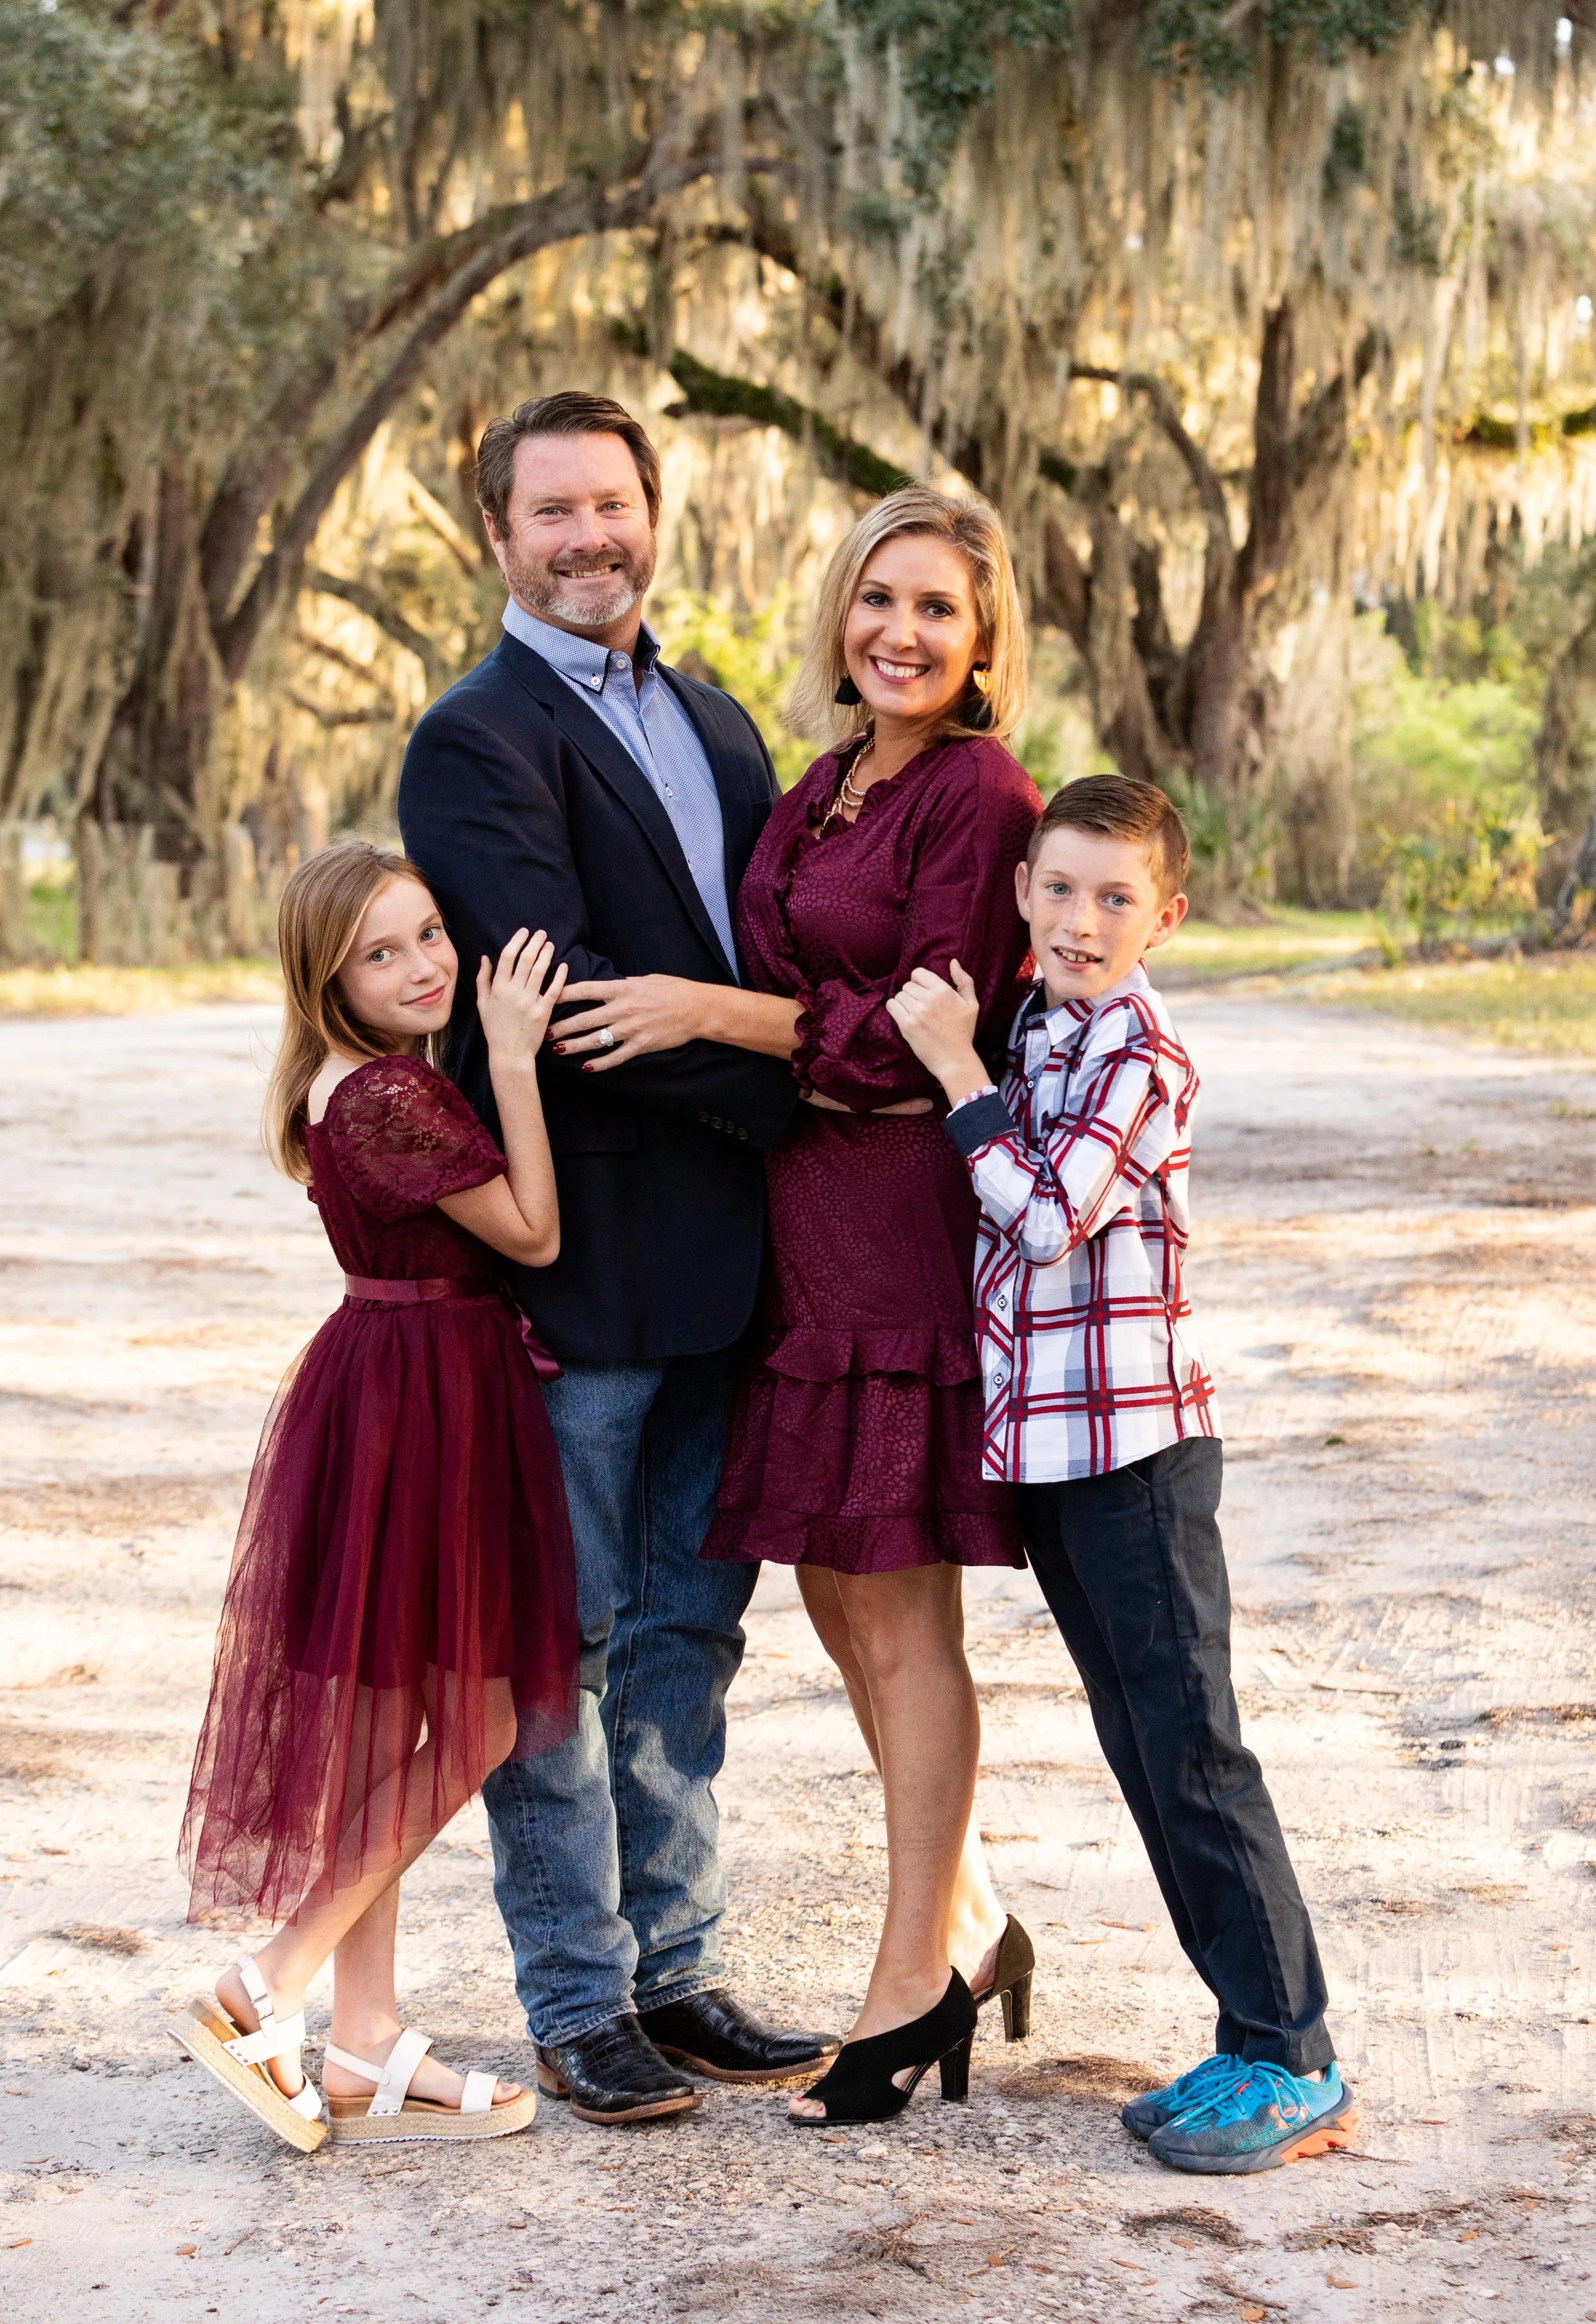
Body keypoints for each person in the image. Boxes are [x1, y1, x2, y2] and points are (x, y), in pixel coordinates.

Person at [573, 485, 1043, 2128]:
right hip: (798, 1230)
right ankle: (967, 1923)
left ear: (982, 642)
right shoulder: (830, 780)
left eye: (934, 609)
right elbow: (802, 983)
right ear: (838, 611)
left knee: (899, 1614)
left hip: (898, 1229)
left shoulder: (979, 800)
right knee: (844, 1606)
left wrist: (712, 1009)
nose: (898, 633)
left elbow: (916, 1038)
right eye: (876, 601)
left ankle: (907, 1984)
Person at [396, 391, 837, 2125]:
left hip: (730, 1269)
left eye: (615, 506)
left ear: (654, 515)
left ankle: (679, 1968)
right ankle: (577, 2001)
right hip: (576, 1263)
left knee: (684, 1641)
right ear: (498, 537)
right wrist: (812, 1072)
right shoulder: (473, 738)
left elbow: (755, 938)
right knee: (556, 1654)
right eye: (554, 512)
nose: (591, 538)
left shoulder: (715, 713)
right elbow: (561, 992)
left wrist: (796, 1056)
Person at [886, 772, 1357, 2175]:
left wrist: (952, 1073)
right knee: (1142, 1746)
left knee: (1196, 1750)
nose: (1080, 921)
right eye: (1057, 889)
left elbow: (1039, 1219)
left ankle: (1292, 2055)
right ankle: (1239, 2040)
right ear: (1021, 890)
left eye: (1113, 899)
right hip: (1054, 1454)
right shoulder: (1039, 1023)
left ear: (1166, 916)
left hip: (1138, 1451)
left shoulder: (1135, 1053)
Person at [173, 841, 579, 2149]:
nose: (422, 967)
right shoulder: (389, 1096)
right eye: (380, 952)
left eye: (424, 936)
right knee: (468, 1725)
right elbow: (530, 1233)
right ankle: (263, 1985)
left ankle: (361, 2043)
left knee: (401, 1724)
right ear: (327, 976)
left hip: (406, 1384)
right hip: (424, 1398)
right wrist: (512, 1055)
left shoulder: (364, 1085)